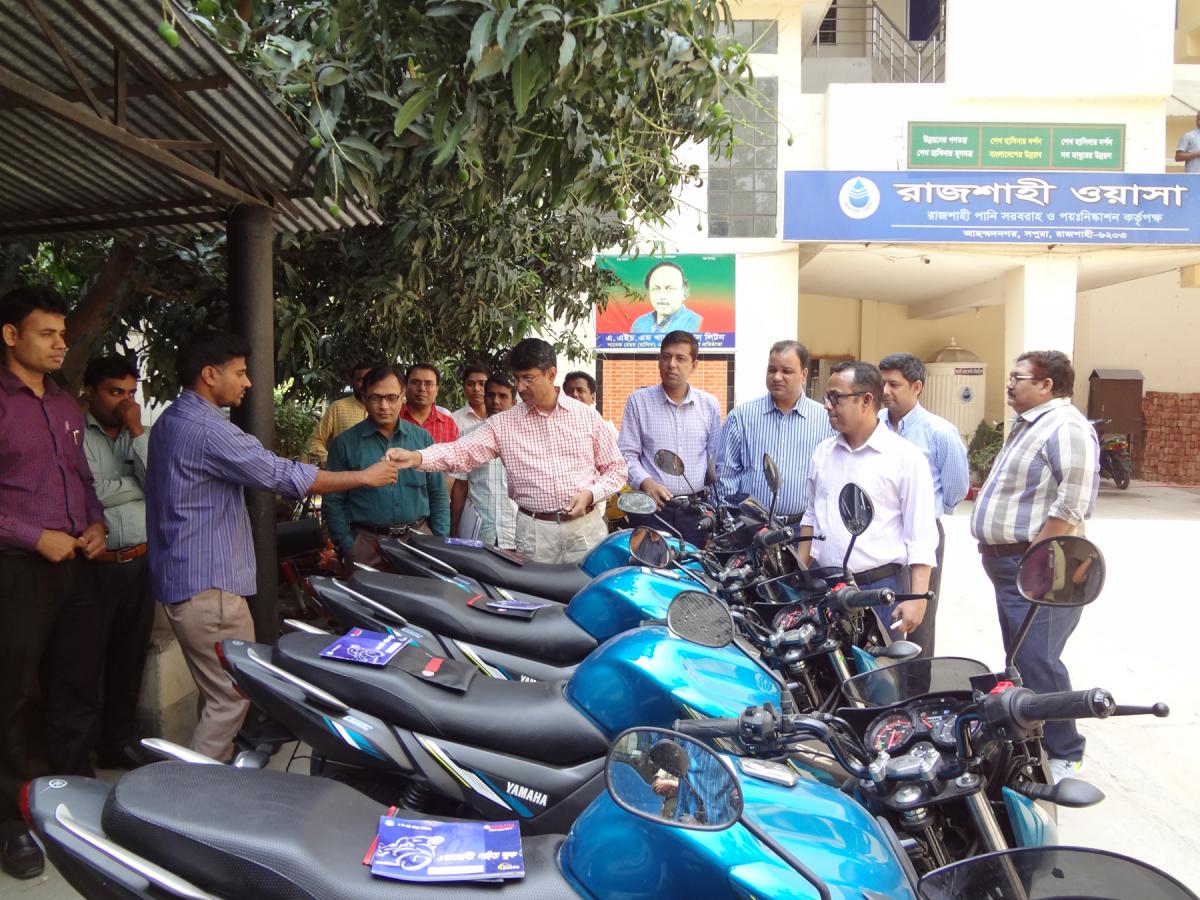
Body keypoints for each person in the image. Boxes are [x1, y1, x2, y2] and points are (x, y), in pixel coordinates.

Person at [145, 332, 400, 764]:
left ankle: (206, 780)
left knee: (218, 694)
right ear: (210, 375)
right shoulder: (207, 429)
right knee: (230, 696)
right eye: (240, 372)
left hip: (188, 578)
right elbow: (280, 473)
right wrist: (363, 477)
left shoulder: (172, 420)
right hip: (210, 587)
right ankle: (191, 793)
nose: (247, 382)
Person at [0, 286, 107, 881]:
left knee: (77, 686)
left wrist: (95, 523)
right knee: (12, 694)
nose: (60, 344)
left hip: (77, 566)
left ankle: (74, 796)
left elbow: (80, 477)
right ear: (11, 335)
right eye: (47, 333)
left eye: (63, 334)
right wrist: (32, 535)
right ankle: (12, 822)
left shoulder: (65, 405)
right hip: (17, 569)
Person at [971, 350, 1099, 784]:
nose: (1010, 383)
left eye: (1019, 377)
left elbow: (1072, 504)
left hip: (1044, 566)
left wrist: (1035, 560)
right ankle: (1033, 741)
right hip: (1010, 564)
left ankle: (1066, 753)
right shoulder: (1030, 424)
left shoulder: (1065, 427)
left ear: (1047, 386)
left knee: (1038, 658)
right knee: (1020, 660)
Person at [386, 338, 627, 563]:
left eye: (528, 378)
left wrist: (591, 494)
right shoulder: (504, 424)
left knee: (590, 591)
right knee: (534, 593)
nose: (520, 387)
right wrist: (417, 457)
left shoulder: (587, 417)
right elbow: (461, 452)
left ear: (551, 374)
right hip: (535, 533)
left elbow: (616, 470)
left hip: (585, 529)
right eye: (517, 379)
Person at [797, 362, 938, 635]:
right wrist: (799, 575)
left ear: (866, 400)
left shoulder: (905, 458)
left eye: (836, 397)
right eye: (827, 397)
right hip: (825, 588)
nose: (827, 405)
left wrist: (918, 599)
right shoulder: (823, 453)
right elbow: (811, 516)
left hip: (878, 592)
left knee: (878, 663)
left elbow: (920, 536)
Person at [81, 354, 156, 771]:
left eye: (131, 392)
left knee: (130, 657)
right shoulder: (75, 433)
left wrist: (137, 432)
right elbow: (88, 492)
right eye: (115, 392)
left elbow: (159, 483)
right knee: (86, 659)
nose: (126, 402)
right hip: (94, 565)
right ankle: (81, 748)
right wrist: (136, 486)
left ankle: (117, 742)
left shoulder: (138, 432)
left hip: (140, 562)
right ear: (90, 392)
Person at [878, 352, 970, 657]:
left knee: (919, 619)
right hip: (879, 532)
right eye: (882, 383)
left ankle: (918, 683)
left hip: (924, 534)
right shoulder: (873, 426)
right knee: (881, 614)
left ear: (916, 387)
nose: (885, 391)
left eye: (894, 384)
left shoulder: (939, 432)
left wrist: (928, 510)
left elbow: (956, 487)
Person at [324, 366, 450, 566]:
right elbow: (333, 501)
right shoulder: (344, 444)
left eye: (391, 398)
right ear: (364, 398)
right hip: (366, 546)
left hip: (419, 542)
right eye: (375, 398)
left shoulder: (422, 439)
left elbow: (438, 494)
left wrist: (438, 539)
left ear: (402, 397)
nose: (383, 406)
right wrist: (349, 546)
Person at [618, 331, 722, 547]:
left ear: (694, 365)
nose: (671, 364)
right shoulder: (639, 402)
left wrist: (714, 510)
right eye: (666, 357)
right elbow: (626, 455)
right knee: (649, 565)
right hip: (652, 508)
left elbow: (715, 460)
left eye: (680, 358)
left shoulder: (709, 405)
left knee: (694, 565)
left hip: (696, 510)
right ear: (659, 361)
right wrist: (646, 482)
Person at [718, 340, 834, 517]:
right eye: (772, 370)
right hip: (750, 524)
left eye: (786, 371)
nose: (777, 377)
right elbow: (726, 475)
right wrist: (729, 520)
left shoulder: (825, 420)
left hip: (802, 526)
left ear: (803, 375)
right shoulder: (741, 416)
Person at [449, 373, 519, 548]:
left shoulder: (527, 438)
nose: (496, 401)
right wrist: (454, 529)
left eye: (503, 396)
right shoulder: (468, 436)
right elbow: (460, 486)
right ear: (485, 398)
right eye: (491, 395)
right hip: (479, 531)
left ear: (513, 402)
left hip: (515, 531)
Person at [303, 362, 373, 467]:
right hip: (342, 474)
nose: (365, 384)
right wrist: (330, 462)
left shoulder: (384, 410)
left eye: (369, 380)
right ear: (352, 382)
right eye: (360, 380)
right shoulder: (338, 408)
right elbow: (314, 441)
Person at [631, 261, 702, 334]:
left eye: (670, 289)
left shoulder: (697, 323)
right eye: (656, 289)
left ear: (684, 292)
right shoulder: (640, 324)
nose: (662, 296)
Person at [400, 362, 459, 444]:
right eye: (416, 382)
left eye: (428, 384)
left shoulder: (449, 424)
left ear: (437, 390)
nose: (422, 389)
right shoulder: (393, 418)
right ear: (405, 387)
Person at [563, 370, 618, 437]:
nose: (574, 394)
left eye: (580, 390)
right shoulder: (557, 425)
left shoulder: (604, 428)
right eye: (569, 391)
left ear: (593, 398)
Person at [452, 363, 490, 436]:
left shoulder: (499, 417)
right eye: (470, 384)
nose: (476, 389)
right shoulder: (453, 420)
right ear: (463, 388)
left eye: (482, 384)